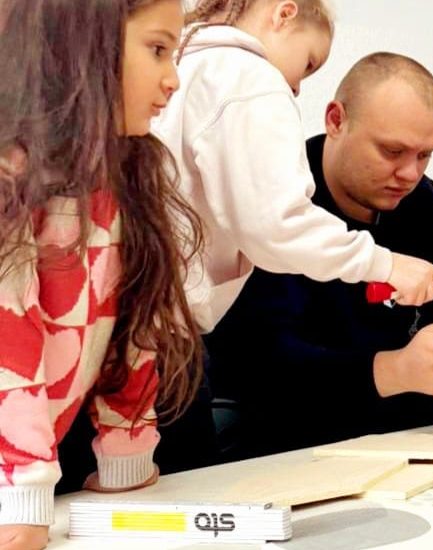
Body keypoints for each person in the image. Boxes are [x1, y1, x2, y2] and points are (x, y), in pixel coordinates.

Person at [205, 52, 433, 460]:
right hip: (294, 453)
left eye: (425, 155)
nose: (410, 174)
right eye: (391, 151)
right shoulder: (270, 213)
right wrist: (394, 371)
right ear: (335, 120)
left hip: (426, 447)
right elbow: (250, 372)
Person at [0, 1, 203, 548]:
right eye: (157, 50)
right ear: (85, 43)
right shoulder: (11, 173)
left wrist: (125, 466)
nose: (172, 79)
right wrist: (22, 497)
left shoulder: (127, 172)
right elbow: (7, 343)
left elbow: (134, 329)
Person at [156, 0, 433, 334]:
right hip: (165, 326)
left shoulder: (181, 69)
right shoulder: (253, 79)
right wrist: (385, 264)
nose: (296, 88)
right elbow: (277, 223)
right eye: (308, 64)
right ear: (284, 14)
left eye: (425, 155)